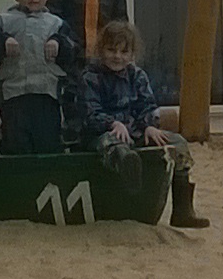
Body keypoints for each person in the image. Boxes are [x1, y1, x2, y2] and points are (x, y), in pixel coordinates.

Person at [76, 20, 209, 229]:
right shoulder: (91, 77)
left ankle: (182, 210)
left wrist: (149, 125)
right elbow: (89, 112)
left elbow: (147, 105)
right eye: (111, 50)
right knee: (113, 144)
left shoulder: (137, 76)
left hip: (135, 131)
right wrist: (112, 123)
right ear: (101, 50)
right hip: (102, 133)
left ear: (132, 54)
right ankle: (130, 176)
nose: (117, 56)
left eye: (123, 51)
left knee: (177, 143)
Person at [0, 0, 81, 155]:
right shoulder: (3, 21)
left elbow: (73, 50)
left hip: (47, 95)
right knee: (15, 143)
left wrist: (58, 43)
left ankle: (47, 174)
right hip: (13, 95)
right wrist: (3, 41)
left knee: (48, 143)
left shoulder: (57, 24)